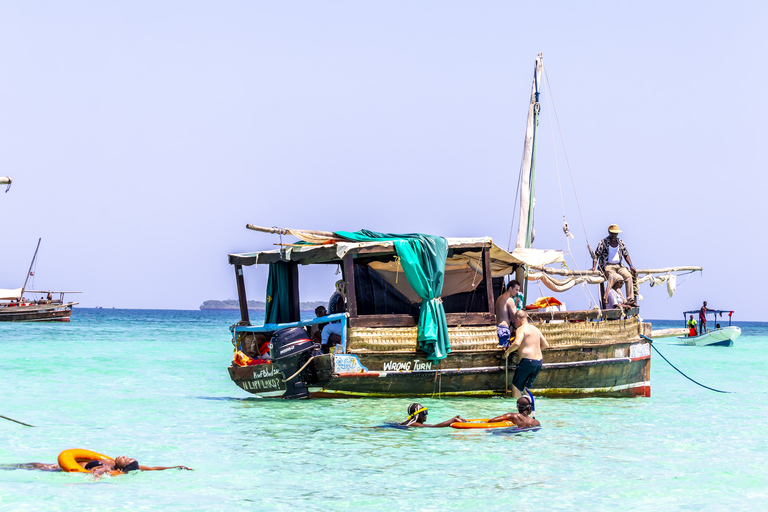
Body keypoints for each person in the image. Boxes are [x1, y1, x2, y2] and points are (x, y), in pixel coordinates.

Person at [506, 310, 549, 398]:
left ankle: (518, 409)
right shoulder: (535, 329)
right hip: (538, 362)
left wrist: (507, 352)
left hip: (527, 361)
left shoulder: (521, 329)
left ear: (518, 319)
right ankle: (530, 408)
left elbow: (517, 343)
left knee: (516, 387)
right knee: (526, 388)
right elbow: (546, 345)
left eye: (515, 321)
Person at [591, 224, 637, 307]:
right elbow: (596, 255)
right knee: (615, 278)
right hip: (607, 265)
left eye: (616, 233)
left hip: (619, 265)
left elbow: (626, 254)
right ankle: (621, 301)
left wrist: (631, 265)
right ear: (609, 232)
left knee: (628, 276)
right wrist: (594, 267)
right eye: (613, 233)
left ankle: (630, 300)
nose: (614, 235)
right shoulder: (603, 242)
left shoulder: (620, 242)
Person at [9, 454, 192, 475]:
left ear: (120, 467)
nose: (125, 456)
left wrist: (95, 477)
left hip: (57, 468)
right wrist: (176, 466)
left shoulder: (109, 467)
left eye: (125, 459)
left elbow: (99, 472)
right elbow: (153, 468)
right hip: (72, 462)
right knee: (29, 463)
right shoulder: (113, 462)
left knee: (33, 465)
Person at [495, 280, 521, 347]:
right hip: (504, 329)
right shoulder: (510, 300)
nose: (517, 292)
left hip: (497, 327)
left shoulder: (499, 298)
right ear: (510, 288)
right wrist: (515, 305)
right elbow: (514, 318)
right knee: (505, 353)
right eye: (516, 289)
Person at [321, 281, 347, 349]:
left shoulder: (335, 296)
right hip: (337, 323)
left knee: (326, 329)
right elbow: (339, 311)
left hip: (333, 322)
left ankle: (323, 345)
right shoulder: (339, 297)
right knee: (326, 329)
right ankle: (324, 346)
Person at [398, 403, 466, 428]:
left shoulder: (413, 423)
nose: (426, 415)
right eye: (424, 412)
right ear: (417, 415)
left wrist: (455, 418)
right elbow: (434, 426)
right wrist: (453, 420)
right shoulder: (414, 424)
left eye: (426, 412)